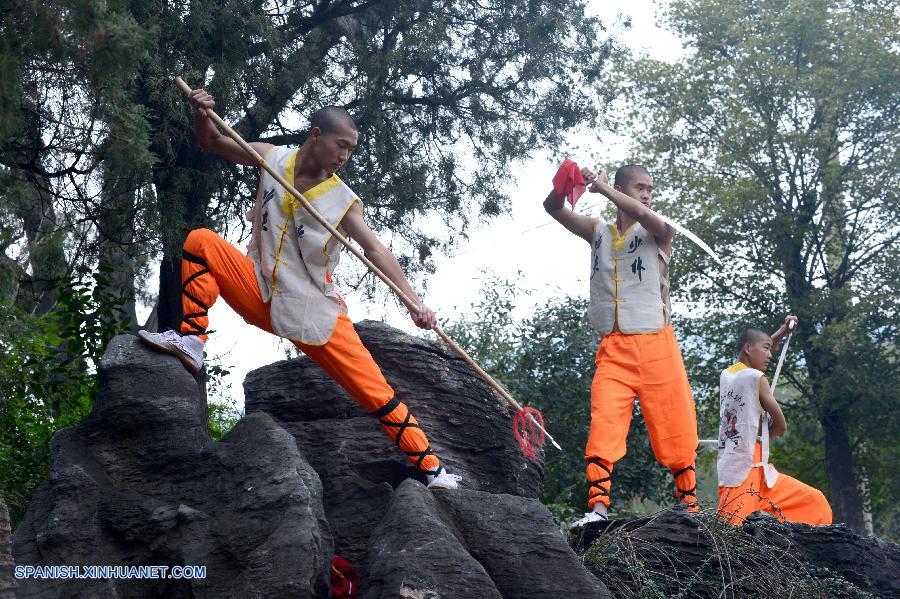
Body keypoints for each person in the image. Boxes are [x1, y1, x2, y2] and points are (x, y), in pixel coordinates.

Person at [139, 87, 461, 490]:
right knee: (200, 241)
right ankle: (191, 343)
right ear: (315, 134)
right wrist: (203, 113)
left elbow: (375, 249)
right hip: (261, 292)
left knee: (374, 391)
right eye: (340, 144)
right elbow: (211, 141)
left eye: (351, 149)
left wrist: (413, 302)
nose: (344, 155)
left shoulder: (343, 200)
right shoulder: (272, 157)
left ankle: (433, 469)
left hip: (316, 313)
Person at [545, 163, 699, 527]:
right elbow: (553, 208)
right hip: (614, 347)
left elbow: (646, 216)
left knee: (676, 426)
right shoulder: (598, 231)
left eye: (650, 188)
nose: (646, 194)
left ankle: (690, 510)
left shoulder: (659, 230)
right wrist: (564, 184)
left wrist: (603, 189)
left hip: (657, 343)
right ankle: (597, 508)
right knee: (604, 424)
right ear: (620, 187)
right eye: (639, 187)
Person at [717, 317, 832, 525]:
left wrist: (780, 334)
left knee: (813, 501)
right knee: (734, 533)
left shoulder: (728, 374)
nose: (770, 355)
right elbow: (781, 426)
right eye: (767, 349)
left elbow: (756, 351)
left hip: (750, 470)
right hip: (745, 471)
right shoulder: (757, 378)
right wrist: (757, 439)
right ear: (749, 348)